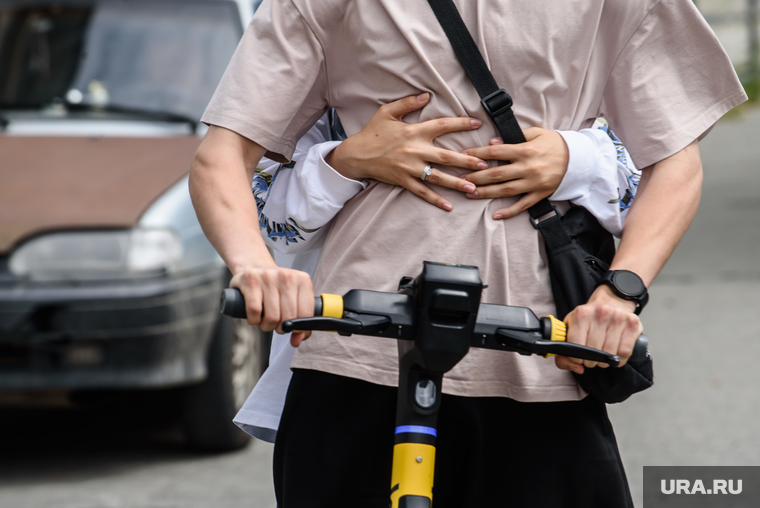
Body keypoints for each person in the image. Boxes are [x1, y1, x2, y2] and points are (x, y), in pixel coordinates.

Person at [190, 0, 746, 505]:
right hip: (358, 354)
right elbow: (222, 155)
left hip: (540, 356)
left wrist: (620, 294)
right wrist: (255, 266)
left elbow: (674, 159)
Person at [234, 96, 641, 443]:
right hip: (353, 357)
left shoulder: (575, 64)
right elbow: (275, 224)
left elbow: (654, 173)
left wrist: (573, 160)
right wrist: (346, 161)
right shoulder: (335, 54)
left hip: (536, 360)